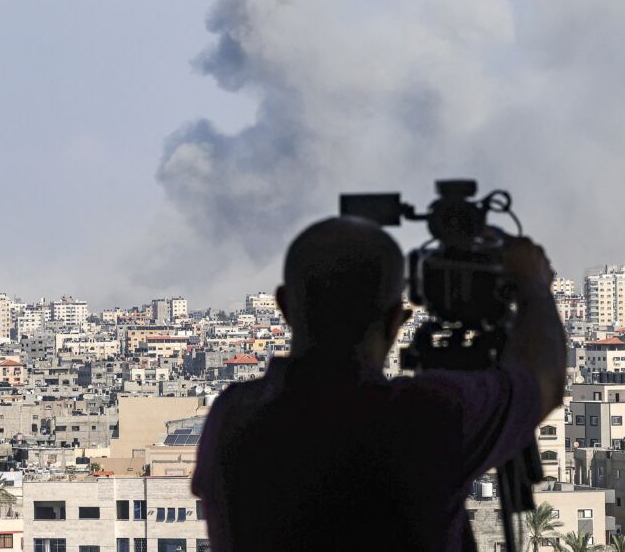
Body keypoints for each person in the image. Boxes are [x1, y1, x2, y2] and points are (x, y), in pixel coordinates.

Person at [192, 215, 566, 552]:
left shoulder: (231, 416)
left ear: (285, 306)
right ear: (395, 320)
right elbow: (542, 383)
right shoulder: (423, 418)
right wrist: (533, 285)